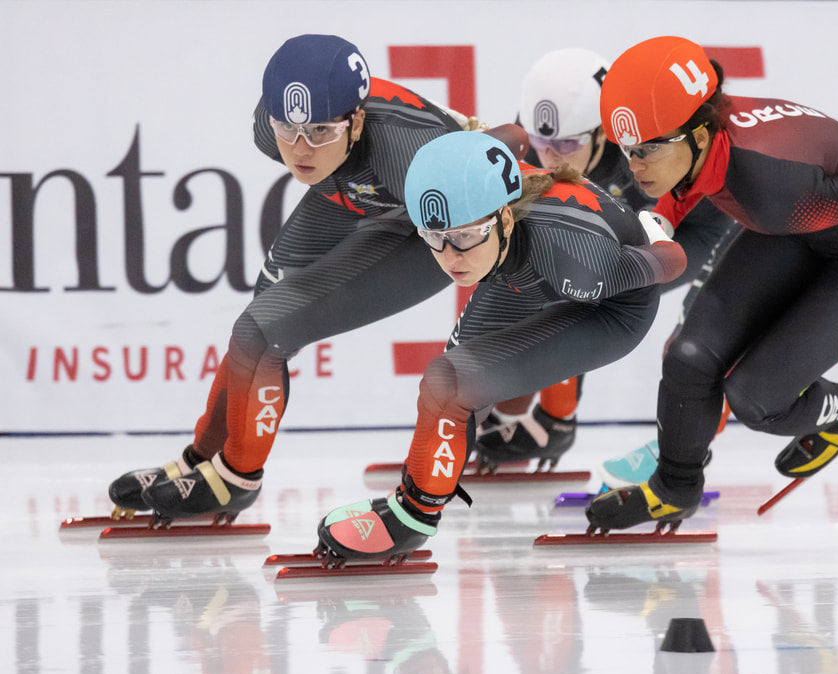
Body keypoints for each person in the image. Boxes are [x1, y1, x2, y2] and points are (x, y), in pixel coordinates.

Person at [105, 34, 468, 522]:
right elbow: (309, 143)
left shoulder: (410, 152)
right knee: (255, 322)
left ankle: (237, 477)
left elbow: (506, 157)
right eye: (288, 129)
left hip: (433, 230)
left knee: (268, 327)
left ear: (356, 120)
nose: (301, 148)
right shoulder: (268, 130)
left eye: (319, 130)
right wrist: (321, 142)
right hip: (352, 186)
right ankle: (203, 460)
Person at [585, 36, 838, 531]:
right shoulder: (703, 127)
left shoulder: (770, 187)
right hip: (800, 227)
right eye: (626, 149)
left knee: (758, 398)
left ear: (700, 136)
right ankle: (673, 489)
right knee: (690, 358)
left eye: (645, 150)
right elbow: (690, 178)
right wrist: (661, 218)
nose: (632, 165)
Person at [315, 129, 688, 562]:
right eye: (435, 238)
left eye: (465, 236)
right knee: (452, 373)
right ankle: (418, 494)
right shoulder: (474, 202)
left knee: (450, 380)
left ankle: (411, 519)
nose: (452, 255)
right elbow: (508, 138)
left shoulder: (578, 263)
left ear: (504, 219)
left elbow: (671, 262)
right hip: (516, 263)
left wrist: (653, 226)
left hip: (612, 308)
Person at [473, 48, 738, 473]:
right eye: (542, 142)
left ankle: (679, 460)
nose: (552, 156)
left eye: (567, 144)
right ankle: (517, 415)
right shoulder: (542, 124)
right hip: (636, 223)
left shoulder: (642, 143)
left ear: (604, 132)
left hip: (704, 228)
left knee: (696, 348)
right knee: (531, 279)